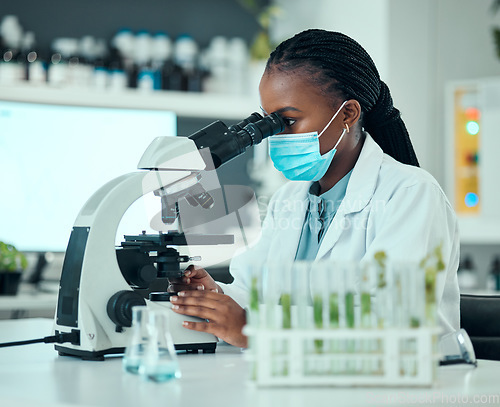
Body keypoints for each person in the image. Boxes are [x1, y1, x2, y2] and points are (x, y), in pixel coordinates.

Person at [168, 29, 460, 348]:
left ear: (348, 114)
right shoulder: (288, 200)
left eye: (289, 121)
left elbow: (394, 323)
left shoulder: (410, 194)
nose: (275, 136)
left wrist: (255, 329)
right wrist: (215, 297)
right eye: (269, 121)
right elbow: (255, 294)